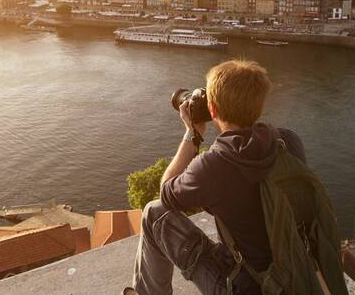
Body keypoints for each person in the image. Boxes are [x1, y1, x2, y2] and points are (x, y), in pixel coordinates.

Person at [129, 59, 304, 295]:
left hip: (242, 287)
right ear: (259, 105)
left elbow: (166, 192)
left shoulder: (214, 165)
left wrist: (192, 134)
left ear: (212, 110)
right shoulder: (287, 141)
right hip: (290, 275)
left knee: (154, 214)